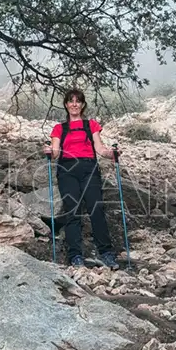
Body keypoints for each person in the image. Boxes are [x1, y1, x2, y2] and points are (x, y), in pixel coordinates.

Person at [42, 89, 121, 269]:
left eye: (78, 101)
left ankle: (107, 253)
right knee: (73, 210)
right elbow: (54, 153)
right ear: (66, 105)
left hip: (89, 168)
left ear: (83, 104)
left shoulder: (91, 125)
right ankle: (75, 256)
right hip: (67, 170)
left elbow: (100, 149)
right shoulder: (59, 128)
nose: (74, 104)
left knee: (96, 208)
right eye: (71, 101)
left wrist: (113, 154)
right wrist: (47, 151)